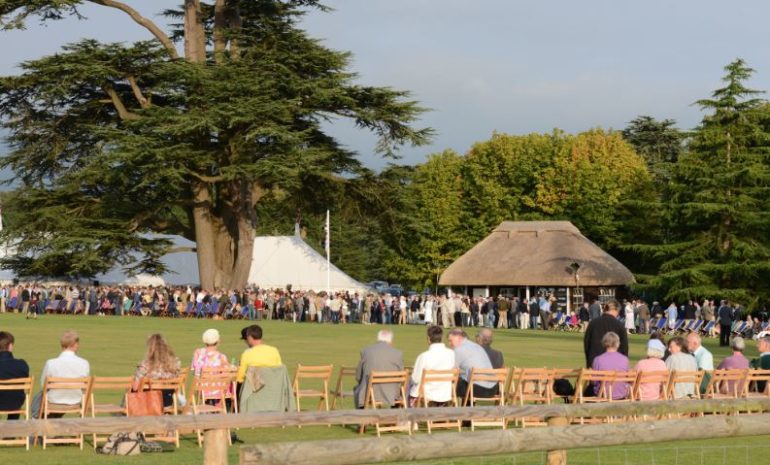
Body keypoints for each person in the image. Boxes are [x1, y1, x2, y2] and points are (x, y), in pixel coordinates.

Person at [32, 330, 90, 418]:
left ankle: (35, 421)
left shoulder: (51, 363)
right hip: (75, 401)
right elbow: (85, 387)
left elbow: (43, 385)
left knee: (38, 398)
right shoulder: (84, 363)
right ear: (75, 345)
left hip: (54, 401)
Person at [353, 330, 404, 408]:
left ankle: (362, 416)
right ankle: (394, 416)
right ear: (390, 341)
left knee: (360, 389)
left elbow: (358, 376)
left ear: (378, 340)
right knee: (398, 389)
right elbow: (402, 377)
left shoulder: (366, 351)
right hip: (392, 393)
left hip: (370, 392)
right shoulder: (398, 353)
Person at [409, 326, 455, 406]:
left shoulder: (424, 356)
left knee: (409, 388)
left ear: (428, 339)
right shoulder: (451, 354)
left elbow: (415, 379)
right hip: (445, 394)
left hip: (428, 395)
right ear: (442, 338)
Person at [132, 334, 181, 408]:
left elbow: (135, 387)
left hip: (148, 403)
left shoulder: (145, 365)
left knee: (130, 391)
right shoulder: (175, 363)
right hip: (167, 402)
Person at [447, 329, 496, 401]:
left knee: (449, 384)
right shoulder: (477, 346)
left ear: (459, 338)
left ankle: (442, 406)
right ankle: (466, 407)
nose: (449, 344)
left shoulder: (459, 349)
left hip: (478, 389)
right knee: (464, 380)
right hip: (493, 389)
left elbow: (451, 371)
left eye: (451, 341)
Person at [583, 300, 629, 368]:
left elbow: (586, 343)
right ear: (616, 310)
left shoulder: (593, 323)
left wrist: (589, 360)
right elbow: (624, 347)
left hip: (594, 363)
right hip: (615, 365)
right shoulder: (619, 325)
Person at [591, 332, 630, 399]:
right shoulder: (625, 359)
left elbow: (594, 381)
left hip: (603, 394)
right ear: (617, 343)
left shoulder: (598, 359)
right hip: (621, 393)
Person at [0, 331, 30, 419]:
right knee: (14, 396)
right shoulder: (22, 365)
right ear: (10, 346)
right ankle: (11, 431)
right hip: (15, 403)